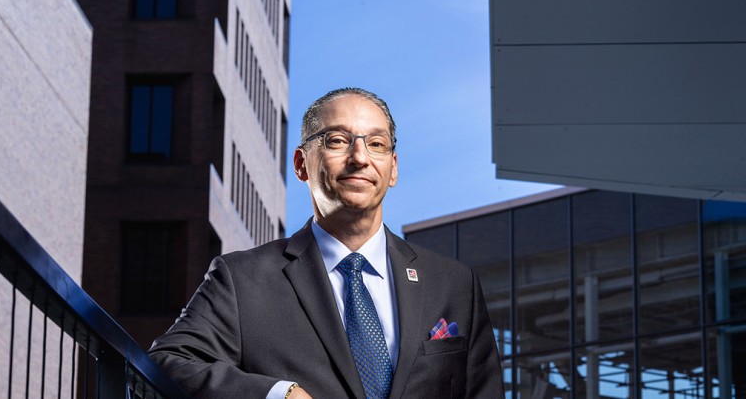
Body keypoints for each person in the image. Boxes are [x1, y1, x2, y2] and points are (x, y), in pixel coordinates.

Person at [148, 87, 503, 398]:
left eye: (376, 144)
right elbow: (169, 362)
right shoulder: (242, 279)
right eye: (337, 141)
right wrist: (276, 395)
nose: (360, 158)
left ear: (393, 168)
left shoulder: (454, 286)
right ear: (302, 164)